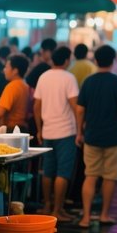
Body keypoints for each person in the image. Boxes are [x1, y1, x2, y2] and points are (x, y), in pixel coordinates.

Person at [75, 44, 117, 228]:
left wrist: (79, 132)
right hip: (113, 136)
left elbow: (79, 110)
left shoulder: (88, 82)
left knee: (90, 175)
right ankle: (104, 215)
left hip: (92, 135)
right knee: (110, 177)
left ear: (96, 60)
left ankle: (85, 218)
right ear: (113, 59)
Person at [34, 46, 80, 222]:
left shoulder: (43, 77)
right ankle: (57, 210)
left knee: (47, 170)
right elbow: (75, 106)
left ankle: (46, 206)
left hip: (48, 131)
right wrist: (80, 129)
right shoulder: (69, 78)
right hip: (66, 131)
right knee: (63, 172)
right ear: (67, 60)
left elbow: (37, 106)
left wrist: (39, 129)